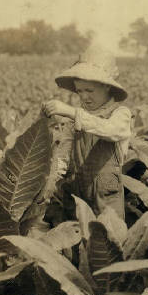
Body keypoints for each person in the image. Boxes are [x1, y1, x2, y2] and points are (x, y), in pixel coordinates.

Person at [42, 45, 131, 219]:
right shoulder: (75, 118)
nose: (83, 97)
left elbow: (110, 130)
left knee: (106, 240)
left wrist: (72, 112)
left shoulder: (121, 114)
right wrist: (50, 184)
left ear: (107, 87)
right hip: (75, 195)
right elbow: (63, 157)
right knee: (73, 241)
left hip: (106, 199)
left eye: (89, 90)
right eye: (80, 91)